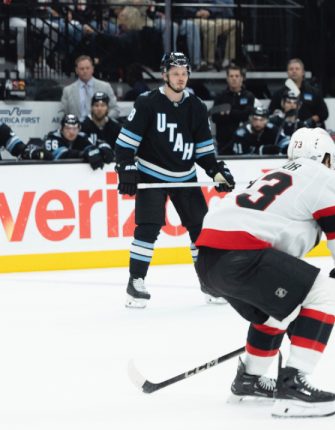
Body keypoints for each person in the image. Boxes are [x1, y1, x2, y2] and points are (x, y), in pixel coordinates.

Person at [195, 127, 335, 418]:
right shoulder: (324, 178)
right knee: (328, 292)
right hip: (242, 256)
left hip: (208, 261)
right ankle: (292, 384)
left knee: (284, 304)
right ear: (324, 157)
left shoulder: (273, 175)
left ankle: (250, 378)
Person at [114, 52, 236, 308]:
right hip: (151, 174)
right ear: (165, 75)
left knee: (201, 230)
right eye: (175, 73)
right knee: (148, 228)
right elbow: (124, 145)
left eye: (184, 73)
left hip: (185, 176)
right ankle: (135, 282)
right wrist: (125, 168)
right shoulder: (147, 102)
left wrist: (216, 171)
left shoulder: (197, 107)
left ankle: (209, 283)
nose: (180, 78)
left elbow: (204, 152)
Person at [37, 114, 114, 169]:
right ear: (61, 128)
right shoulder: (53, 137)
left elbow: (94, 145)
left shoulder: (81, 136)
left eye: (74, 128)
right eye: (68, 128)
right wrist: (83, 154)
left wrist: (104, 149)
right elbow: (61, 155)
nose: (71, 132)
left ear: (79, 128)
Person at [268, 58, 329, 126]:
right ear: (287, 72)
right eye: (291, 69)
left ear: (303, 72)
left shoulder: (314, 92)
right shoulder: (279, 94)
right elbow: (271, 113)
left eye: (297, 69)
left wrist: (310, 121)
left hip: (310, 131)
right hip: (288, 131)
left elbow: (324, 113)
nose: (294, 71)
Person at [59, 55, 120, 121]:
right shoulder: (68, 91)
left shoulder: (105, 87)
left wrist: (102, 120)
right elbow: (63, 113)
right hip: (78, 129)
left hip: (101, 128)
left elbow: (115, 109)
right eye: (82, 69)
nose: (85, 71)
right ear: (76, 70)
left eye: (87, 68)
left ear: (92, 69)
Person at [211, 64, 255, 148]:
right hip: (223, 142)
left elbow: (246, 116)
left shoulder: (249, 96)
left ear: (242, 78)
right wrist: (239, 113)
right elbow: (214, 117)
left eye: (237, 76)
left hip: (244, 141)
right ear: (227, 78)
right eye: (231, 76)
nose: (234, 78)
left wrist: (227, 112)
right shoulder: (220, 96)